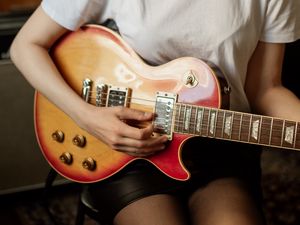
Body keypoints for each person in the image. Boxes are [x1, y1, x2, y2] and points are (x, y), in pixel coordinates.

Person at [10, 1, 300, 225]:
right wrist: (86, 116)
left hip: (219, 142)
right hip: (128, 154)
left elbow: (265, 89)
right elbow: (26, 46)